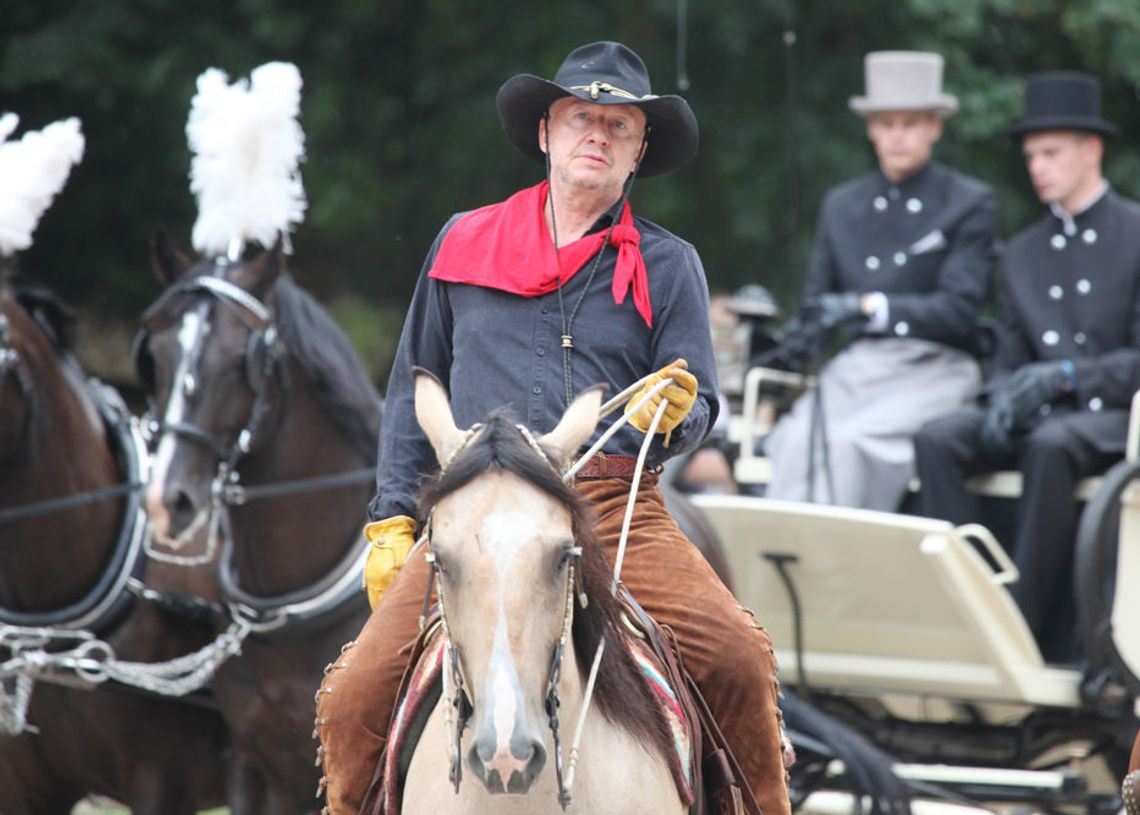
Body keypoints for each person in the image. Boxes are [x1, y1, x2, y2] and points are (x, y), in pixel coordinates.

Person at [314, 41, 791, 815]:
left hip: (613, 509)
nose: (596, 136)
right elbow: (412, 387)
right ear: (546, 133)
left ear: (640, 150)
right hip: (473, 512)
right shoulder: (460, 241)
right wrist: (392, 519)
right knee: (351, 697)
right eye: (580, 119)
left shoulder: (671, 265)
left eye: (618, 125)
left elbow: (698, 402)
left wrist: (676, 413)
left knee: (737, 656)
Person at [914, 70, 1140, 661]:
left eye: (1051, 153)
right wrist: (997, 400)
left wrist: (1069, 376)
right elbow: (1009, 356)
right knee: (938, 438)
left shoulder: (1135, 234)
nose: (1037, 167)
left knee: (1050, 445)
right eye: (1031, 155)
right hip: (1041, 414)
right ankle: (964, 605)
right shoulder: (1021, 254)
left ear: (1091, 151)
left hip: (1115, 416)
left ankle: (1024, 627)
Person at [764, 51, 998, 510]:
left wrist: (869, 306)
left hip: (935, 367)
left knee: (852, 445)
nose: (897, 136)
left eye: (910, 123)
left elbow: (959, 309)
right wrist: (787, 346)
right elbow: (816, 303)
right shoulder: (843, 205)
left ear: (935, 127)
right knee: (790, 441)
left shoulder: (969, 202)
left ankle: (841, 569)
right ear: (871, 128)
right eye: (887, 123)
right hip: (857, 368)